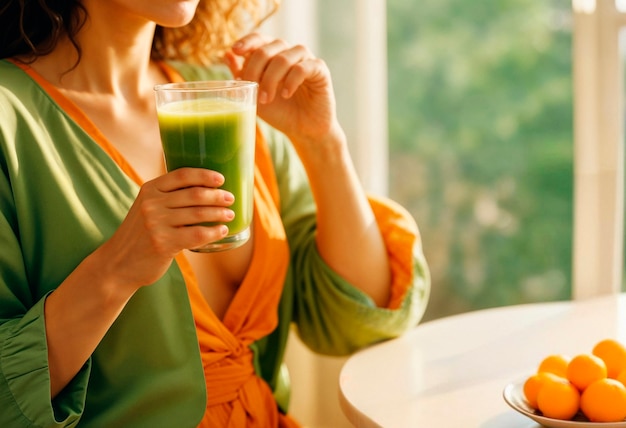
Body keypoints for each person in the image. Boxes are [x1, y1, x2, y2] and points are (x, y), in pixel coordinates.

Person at [0, 0, 430, 426]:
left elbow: (360, 321)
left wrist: (323, 144)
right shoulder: (8, 119)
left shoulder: (231, 94)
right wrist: (118, 268)